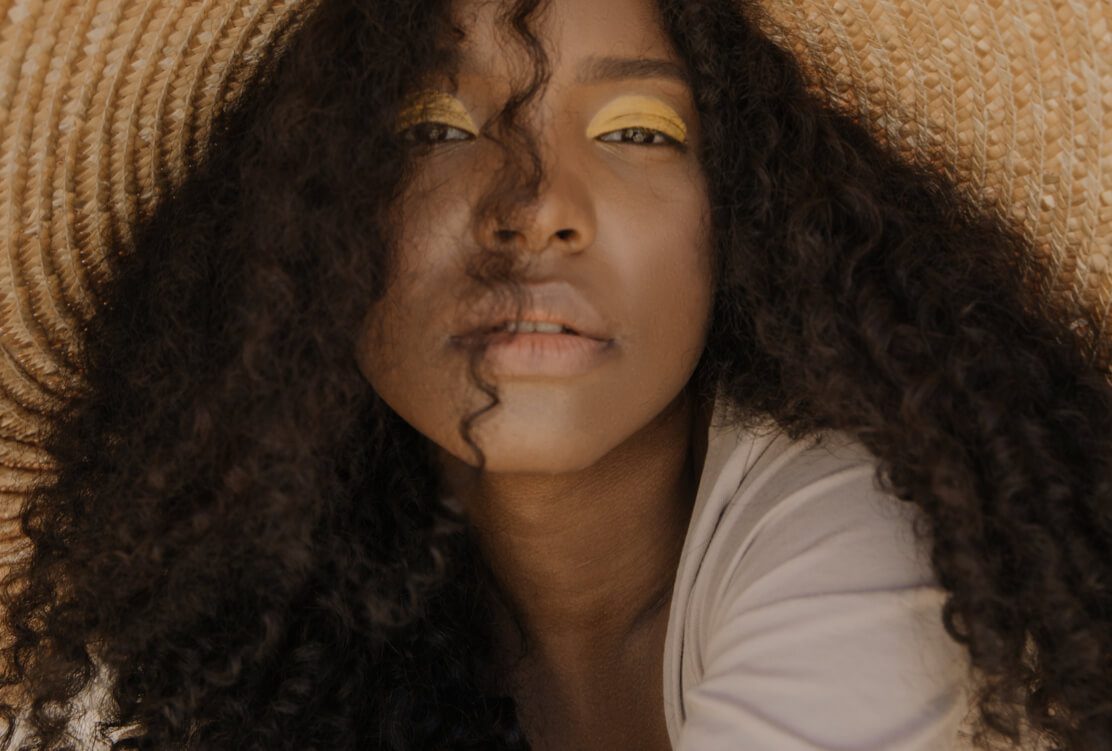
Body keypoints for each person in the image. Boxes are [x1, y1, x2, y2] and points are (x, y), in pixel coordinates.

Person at [0, 0, 1108, 749]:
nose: (534, 209)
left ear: (750, 218)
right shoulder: (284, 635)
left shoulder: (858, 523)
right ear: (299, 223)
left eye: (637, 131)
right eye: (434, 127)